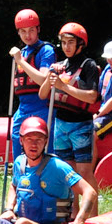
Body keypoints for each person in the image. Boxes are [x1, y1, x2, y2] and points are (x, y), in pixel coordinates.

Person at [0, 117, 96, 224]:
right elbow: (14, 186)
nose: (34, 144)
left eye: (39, 139)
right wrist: (9, 208)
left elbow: (89, 192)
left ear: (45, 141)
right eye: (29, 139)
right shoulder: (19, 163)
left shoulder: (57, 167)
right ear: (21, 140)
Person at [43, 22, 102, 187]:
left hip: (81, 124)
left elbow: (92, 97)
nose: (66, 46)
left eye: (70, 42)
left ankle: (94, 213)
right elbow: (43, 94)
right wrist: (50, 77)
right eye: (63, 42)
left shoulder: (88, 65)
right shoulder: (61, 66)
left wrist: (63, 87)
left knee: (84, 172)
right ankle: (74, 212)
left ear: (80, 44)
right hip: (61, 124)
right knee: (68, 174)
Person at [9, 9, 58, 178]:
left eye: (31, 30)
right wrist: (20, 58)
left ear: (38, 29)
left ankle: (44, 180)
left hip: (41, 106)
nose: (27, 35)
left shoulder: (46, 50)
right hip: (23, 107)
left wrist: (20, 61)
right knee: (17, 141)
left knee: (42, 145)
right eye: (23, 31)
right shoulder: (22, 53)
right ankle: (20, 182)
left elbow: (43, 78)